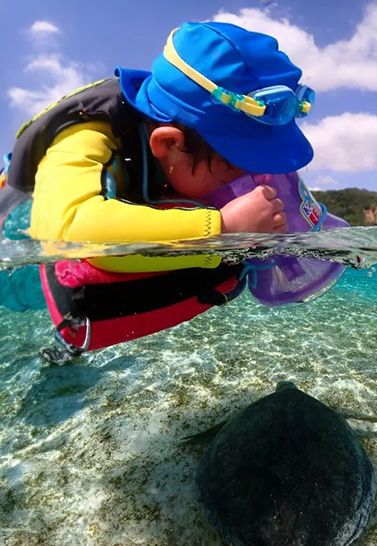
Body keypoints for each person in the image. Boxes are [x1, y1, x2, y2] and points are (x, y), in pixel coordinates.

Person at [0, 21, 316, 362]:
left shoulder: (184, 153)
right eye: (236, 169)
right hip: (14, 264)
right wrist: (222, 227)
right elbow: (68, 234)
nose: (249, 185)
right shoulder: (87, 133)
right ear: (169, 144)